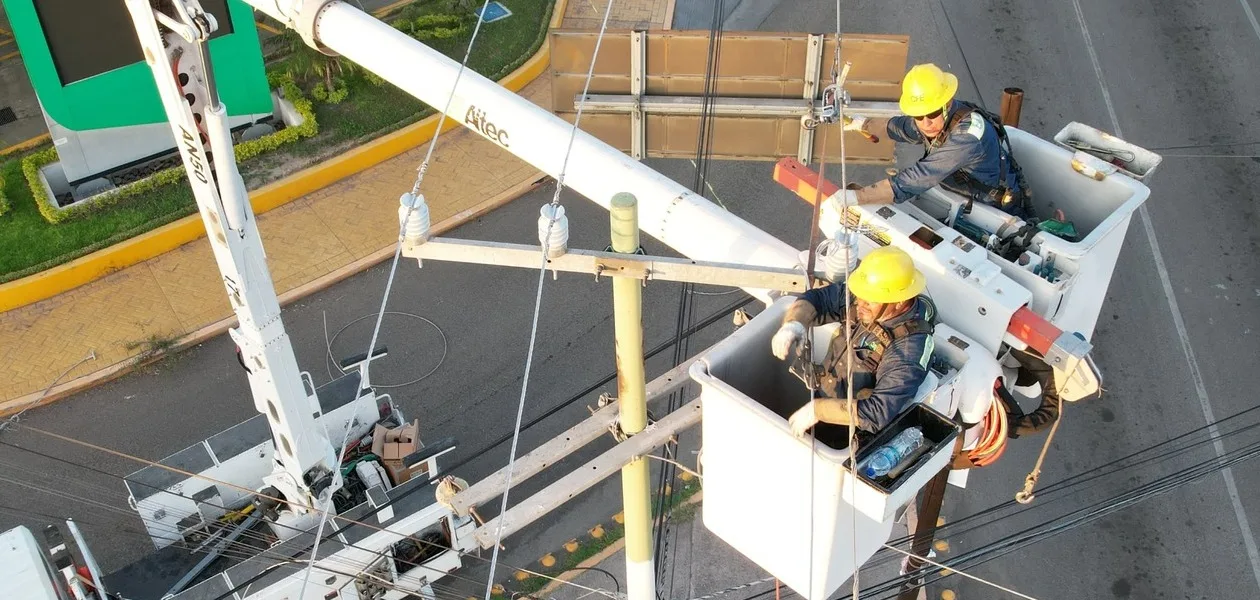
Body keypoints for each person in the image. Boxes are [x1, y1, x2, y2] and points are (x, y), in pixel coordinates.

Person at [770, 246, 937, 439]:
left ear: (899, 301)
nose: (859, 305)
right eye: (859, 296)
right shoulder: (865, 298)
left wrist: (819, 410)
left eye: (870, 301)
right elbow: (818, 299)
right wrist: (794, 324)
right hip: (825, 392)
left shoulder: (909, 350)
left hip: (853, 429)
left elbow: (877, 412)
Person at [840, 63, 1032, 219]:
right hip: (966, 195)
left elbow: (921, 176)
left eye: (932, 113)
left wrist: (858, 196)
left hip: (995, 209)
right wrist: (864, 124)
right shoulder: (941, 118)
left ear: (947, 104)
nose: (926, 123)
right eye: (918, 115)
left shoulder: (968, 137)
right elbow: (905, 128)